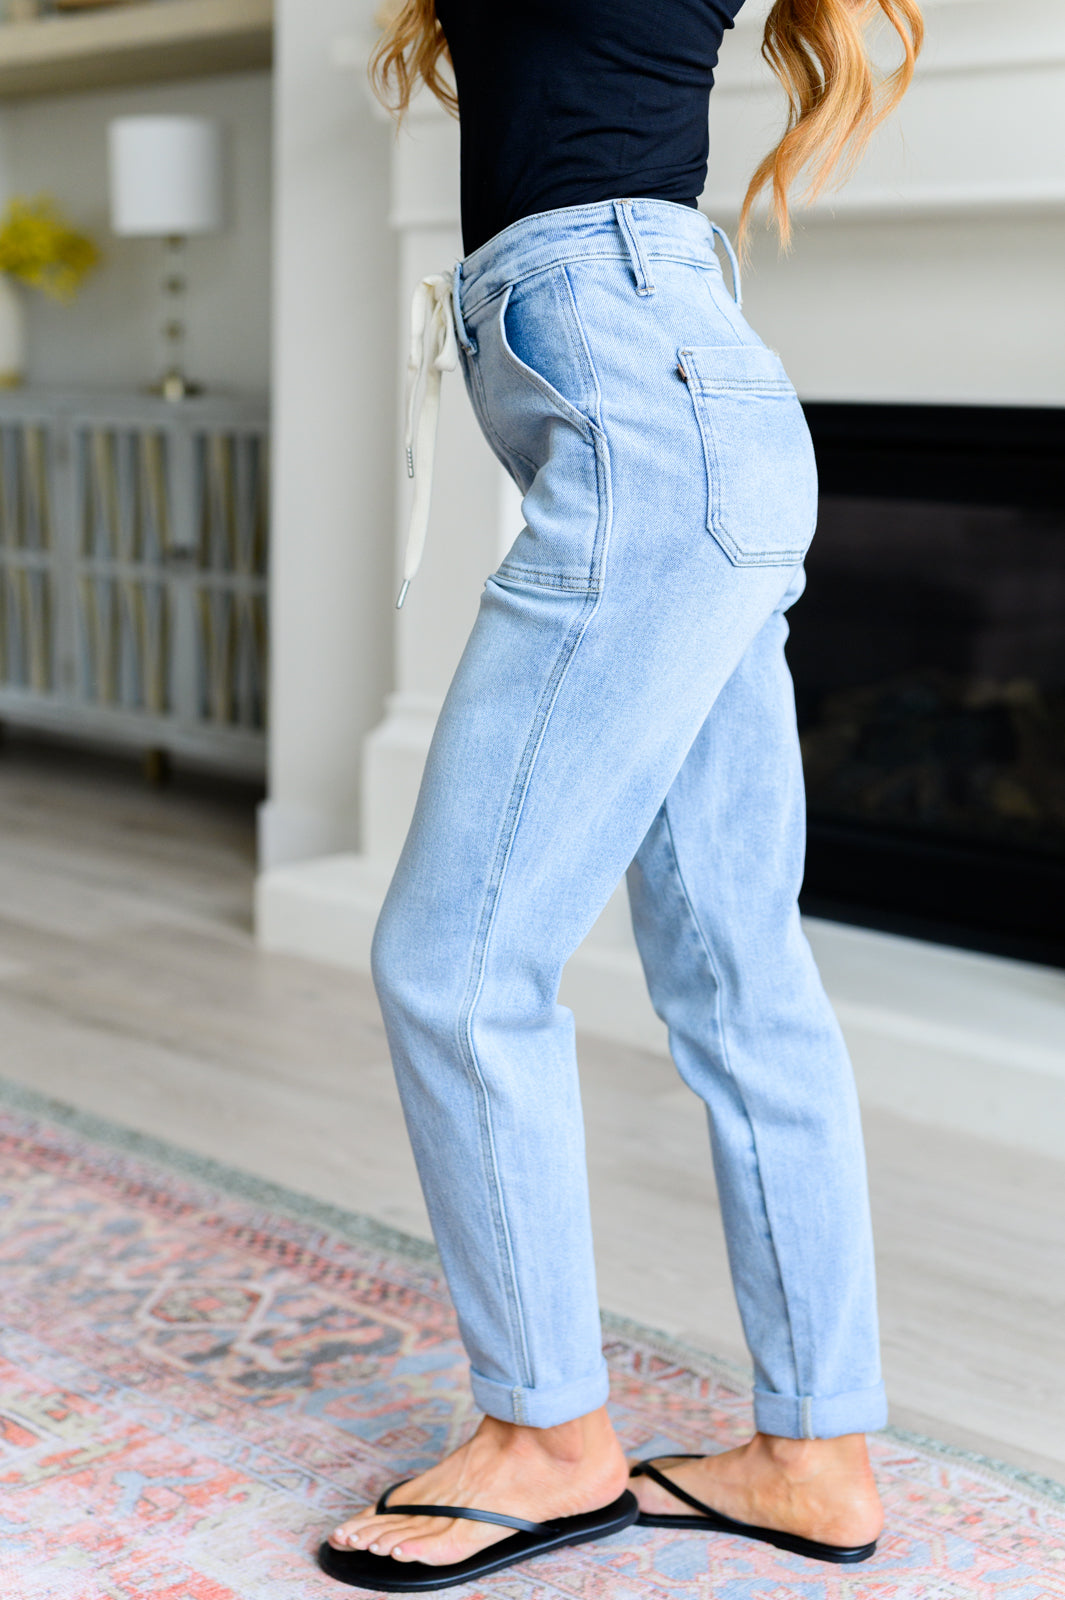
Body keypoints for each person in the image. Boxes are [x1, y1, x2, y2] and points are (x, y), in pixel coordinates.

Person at [320, 0, 923, 1590]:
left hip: (642, 401)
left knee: (455, 962)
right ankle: (813, 1454)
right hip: (670, 393)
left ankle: (545, 1437)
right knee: (737, 974)